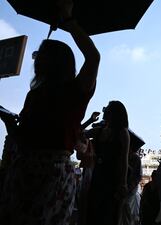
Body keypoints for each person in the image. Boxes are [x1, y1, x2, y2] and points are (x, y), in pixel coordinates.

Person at [0, 0, 100, 224]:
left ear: (52, 63)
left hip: (39, 176)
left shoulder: (75, 91)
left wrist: (68, 20)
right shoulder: (37, 94)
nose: (35, 62)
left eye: (39, 56)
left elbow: (93, 57)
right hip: (34, 173)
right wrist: (9, 124)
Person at [86, 101, 130, 225]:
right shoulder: (98, 131)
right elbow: (78, 133)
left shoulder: (122, 133)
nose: (104, 111)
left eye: (107, 109)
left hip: (113, 180)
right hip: (97, 176)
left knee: (108, 214)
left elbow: (124, 160)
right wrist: (90, 121)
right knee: (94, 213)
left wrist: (123, 183)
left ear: (114, 113)